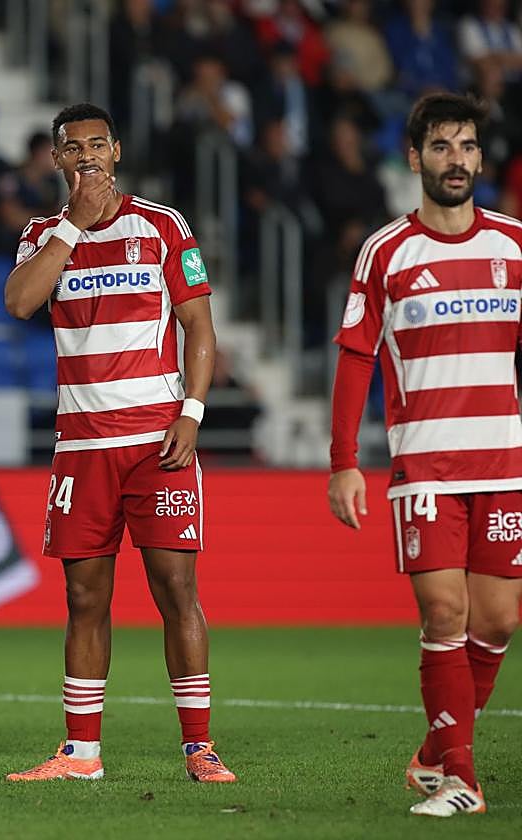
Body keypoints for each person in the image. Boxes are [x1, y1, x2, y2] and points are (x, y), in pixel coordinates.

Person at [1, 103, 235, 784]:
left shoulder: (161, 226)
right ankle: (80, 754)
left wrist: (192, 413)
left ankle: (200, 747)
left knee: (175, 589)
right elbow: (18, 302)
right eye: (72, 148)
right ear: (56, 160)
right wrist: (73, 224)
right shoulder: (45, 234)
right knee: (83, 598)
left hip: (156, 442)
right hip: (81, 447)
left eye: (97, 144)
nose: (86, 157)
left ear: (118, 150)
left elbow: (199, 326)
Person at [328, 92, 522, 818]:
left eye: (467, 146)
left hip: (504, 463)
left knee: (497, 621)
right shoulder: (387, 252)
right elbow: (354, 356)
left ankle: (435, 753)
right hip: (427, 465)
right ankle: (464, 778)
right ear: (415, 159)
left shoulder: (512, 244)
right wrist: (343, 458)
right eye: (441, 147)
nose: (456, 160)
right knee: (446, 613)